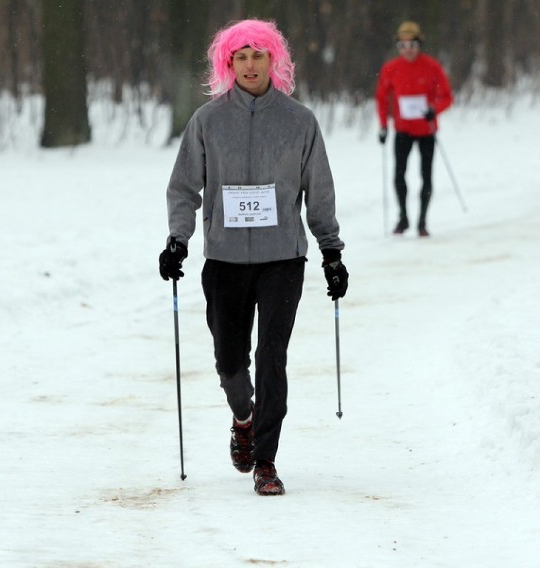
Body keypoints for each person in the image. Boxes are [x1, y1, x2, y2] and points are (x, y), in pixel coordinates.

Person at [158, 19, 348, 496]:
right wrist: (178, 239)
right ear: (227, 63)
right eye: (239, 56)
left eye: (257, 54)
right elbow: (183, 188)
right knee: (229, 360)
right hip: (223, 258)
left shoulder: (300, 121)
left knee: (272, 358)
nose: (248, 64)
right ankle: (243, 417)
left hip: (282, 257)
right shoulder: (207, 121)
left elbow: (318, 190)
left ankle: (266, 460)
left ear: (273, 60)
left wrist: (331, 252)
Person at [375, 20, 453, 237]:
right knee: (399, 176)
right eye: (403, 46)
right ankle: (403, 218)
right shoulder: (391, 68)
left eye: (412, 45)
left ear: (420, 45)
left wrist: (434, 110)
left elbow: (447, 97)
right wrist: (383, 126)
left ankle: (422, 221)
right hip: (403, 131)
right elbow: (381, 99)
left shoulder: (431, 66)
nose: (408, 50)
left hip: (426, 131)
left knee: (425, 176)